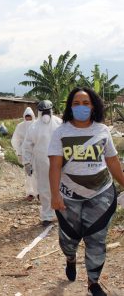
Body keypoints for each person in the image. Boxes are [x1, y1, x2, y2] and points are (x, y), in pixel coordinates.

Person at [48, 87, 124, 296]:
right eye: (76, 103)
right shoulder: (61, 132)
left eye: (86, 103)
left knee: (96, 239)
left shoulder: (102, 130)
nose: (81, 107)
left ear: (93, 106)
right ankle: (70, 258)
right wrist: (55, 195)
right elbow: (54, 166)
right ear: (70, 107)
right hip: (69, 196)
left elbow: (112, 161)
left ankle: (93, 283)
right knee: (68, 240)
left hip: (101, 194)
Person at [23, 100, 62, 226]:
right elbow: (27, 146)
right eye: (43, 111)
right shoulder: (34, 127)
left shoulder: (60, 123)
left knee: (61, 187)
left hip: (60, 162)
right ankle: (47, 215)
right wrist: (27, 162)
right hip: (41, 162)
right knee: (44, 189)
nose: (45, 114)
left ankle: (61, 213)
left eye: (47, 111)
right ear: (39, 112)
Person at [11, 107, 37, 201]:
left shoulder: (37, 125)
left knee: (38, 173)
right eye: (27, 117)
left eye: (30, 117)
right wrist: (19, 152)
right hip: (25, 154)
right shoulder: (20, 126)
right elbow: (15, 140)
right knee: (28, 173)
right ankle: (30, 193)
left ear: (33, 117)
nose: (28, 119)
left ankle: (39, 193)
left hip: (36, 153)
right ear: (24, 117)